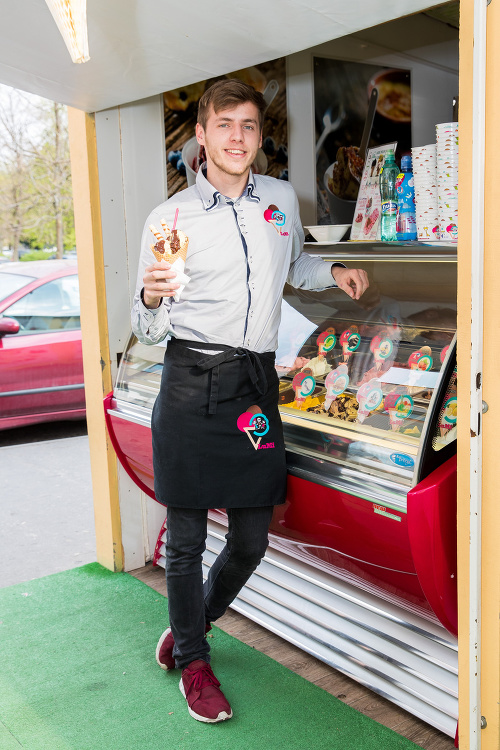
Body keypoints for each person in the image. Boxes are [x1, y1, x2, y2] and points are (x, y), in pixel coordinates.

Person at [131, 79, 369, 724]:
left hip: (254, 389)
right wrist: (152, 299)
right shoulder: (170, 219)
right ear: (201, 136)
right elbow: (147, 325)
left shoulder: (278, 199)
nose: (238, 138)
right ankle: (194, 658)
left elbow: (294, 265)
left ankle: (191, 625)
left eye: (248, 126)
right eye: (224, 126)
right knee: (183, 543)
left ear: (259, 138)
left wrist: (335, 270)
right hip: (189, 384)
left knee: (251, 540)